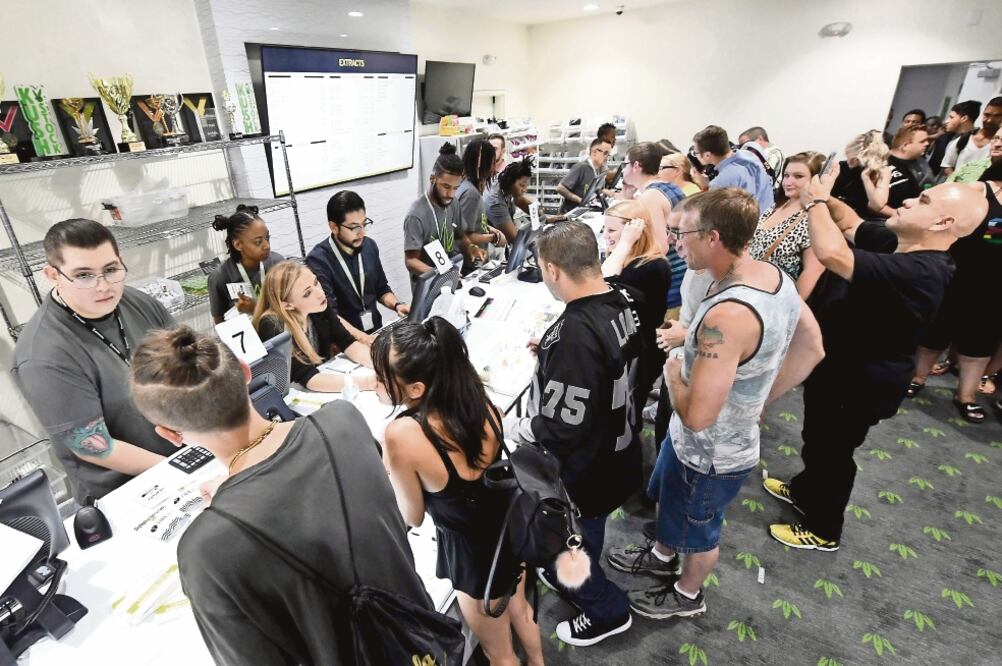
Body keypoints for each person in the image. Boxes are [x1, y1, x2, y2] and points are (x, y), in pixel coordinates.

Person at [129, 326, 432, 664]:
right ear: (246, 371)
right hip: (422, 636)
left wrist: (228, 509)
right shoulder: (344, 420)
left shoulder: (205, 550)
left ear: (171, 435)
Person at [607, 188, 820, 621]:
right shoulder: (776, 277)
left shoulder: (729, 314)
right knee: (670, 500)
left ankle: (687, 595)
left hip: (711, 450)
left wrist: (672, 373)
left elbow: (699, 414)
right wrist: (761, 398)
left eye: (680, 233)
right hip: (700, 440)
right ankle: (663, 555)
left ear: (714, 237)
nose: (675, 243)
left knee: (699, 529)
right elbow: (812, 348)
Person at [765, 172, 988, 551]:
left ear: (943, 223)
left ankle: (823, 528)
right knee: (817, 438)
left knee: (833, 452)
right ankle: (805, 489)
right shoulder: (900, 242)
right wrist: (820, 195)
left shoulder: (924, 271)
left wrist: (816, 204)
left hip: (862, 382)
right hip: (840, 367)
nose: (907, 201)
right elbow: (850, 223)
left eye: (924, 202)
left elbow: (834, 254)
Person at [504, 221, 645, 647]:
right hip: (619, 448)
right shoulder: (624, 298)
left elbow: (561, 428)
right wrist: (553, 353)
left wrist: (515, 425)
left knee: (574, 547)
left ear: (551, 269)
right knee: (588, 532)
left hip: (588, 470)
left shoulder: (576, 336)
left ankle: (606, 609)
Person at [373, 318, 544, 666]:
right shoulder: (476, 398)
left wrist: (391, 471)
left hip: (475, 557)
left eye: (381, 377)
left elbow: (412, 515)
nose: (376, 383)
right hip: (509, 529)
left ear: (416, 388)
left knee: (500, 654)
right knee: (522, 611)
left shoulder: (403, 434)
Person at [12, 218, 177, 502]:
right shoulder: (44, 354)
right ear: (53, 275)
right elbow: (94, 446)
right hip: (123, 492)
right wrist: (177, 471)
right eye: (84, 275)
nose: (103, 287)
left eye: (111, 270)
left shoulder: (137, 303)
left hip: (180, 456)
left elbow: (186, 366)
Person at [907, 130, 1002, 423]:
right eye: (997, 137)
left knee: (979, 342)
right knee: (935, 332)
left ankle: (967, 396)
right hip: (958, 275)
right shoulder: (976, 189)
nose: (997, 141)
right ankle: (917, 378)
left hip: (995, 286)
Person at [253, 261, 374, 392]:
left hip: (318, 382)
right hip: (294, 396)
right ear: (287, 305)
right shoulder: (272, 325)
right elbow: (308, 378)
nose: (320, 293)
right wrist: (368, 383)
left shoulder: (318, 306)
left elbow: (349, 343)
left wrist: (382, 365)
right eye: (307, 294)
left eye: (316, 282)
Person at [306, 191, 409, 335]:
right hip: (345, 341)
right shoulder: (318, 261)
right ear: (334, 227)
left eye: (364, 224)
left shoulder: (369, 246)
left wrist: (397, 305)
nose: (362, 233)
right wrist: (363, 340)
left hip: (376, 331)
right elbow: (330, 315)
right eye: (354, 227)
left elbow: (381, 289)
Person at [601, 199, 671, 397]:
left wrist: (624, 244)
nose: (605, 236)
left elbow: (603, 289)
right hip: (628, 353)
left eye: (612, 230)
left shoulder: (652, 266)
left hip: (640, 358)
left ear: (635, 231)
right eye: (604, 229)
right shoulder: (625, 259)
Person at [404, 144, 486, 287]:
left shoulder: (453, 203)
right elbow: (411, 261)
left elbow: (460, 236)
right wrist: (439, 273)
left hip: (451, 282)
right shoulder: (416, 214)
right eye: (446, 187)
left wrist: (471, 247)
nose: (451, 194)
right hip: (429, 288)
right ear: (432, 178)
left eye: (456, 188)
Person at [749, 151, 826, 298]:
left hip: (775, 297)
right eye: (786, 175)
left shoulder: (813, 218)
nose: (788, 182)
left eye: (798, 176)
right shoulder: (774, 207)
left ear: (816, 180)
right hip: (752, 288)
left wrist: (790, 310)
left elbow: (813, 271)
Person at [207, 204, 285, 324]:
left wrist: (255, 309)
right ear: (238, 245)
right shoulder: (219, 277)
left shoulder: (278, 263)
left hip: (280, 335)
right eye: (258, 242)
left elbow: (292, 308)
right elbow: (219, 323)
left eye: (267, 238)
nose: (267, 246)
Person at [692, 125, 774, 211]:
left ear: (707, 155)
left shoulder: (719, 184)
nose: (695, 156)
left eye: (695, 153)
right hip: (772, 214)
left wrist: (706, 187)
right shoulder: (753, 149)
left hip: (754, 222)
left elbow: (720, 217)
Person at [455, 138, 508, 255]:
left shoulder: (466, 186)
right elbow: (462, 235)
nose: (494, 167)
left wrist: (489, 229)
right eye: (492, 162)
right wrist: (494, 238)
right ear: (482, 163)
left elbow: (473, 222)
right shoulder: (471, 194)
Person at [623, 141, 678, 253]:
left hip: (673, 266)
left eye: (624, 165)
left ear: (636, 166)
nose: (623, 170)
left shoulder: (649, 197)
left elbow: (661, 247)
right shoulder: (669, 186)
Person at [869, 124, 930, 217]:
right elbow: (873, 204)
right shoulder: (880, 165)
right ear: (905, 146)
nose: (927, 144)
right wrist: (901, 216)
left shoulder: (919, 166)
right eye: (922, 141)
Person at [830, 130, 890, 219]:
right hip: (834, 213)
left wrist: (866, 178)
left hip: (859, 219)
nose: (850, 162)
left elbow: (877, 206)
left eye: (856, 160)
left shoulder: (882, 172)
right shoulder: (841, 166)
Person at [942, 97, 1002, 179]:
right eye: (987, 115)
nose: (989, 120)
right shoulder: (965, 139)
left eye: (997, 116)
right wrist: (955, 181)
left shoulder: (998, 145)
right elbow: (947, 164)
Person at [484, 156, 533, 243]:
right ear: (511, 181)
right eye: (522, 185)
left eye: (526, 186)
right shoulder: (496, 202)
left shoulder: (504, 178)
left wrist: (542, 217)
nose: (524, 190)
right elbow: (514, 237)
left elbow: (519, 200)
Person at [556, 137, 611, 214]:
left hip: (584, 211)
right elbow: (560, 188)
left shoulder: (598, 169)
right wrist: (580, 200)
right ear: (594, 152)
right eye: (605, 153)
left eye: (608, 154)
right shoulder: (581, 167)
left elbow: (597, 189)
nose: (607, 157)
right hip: (570, 213)